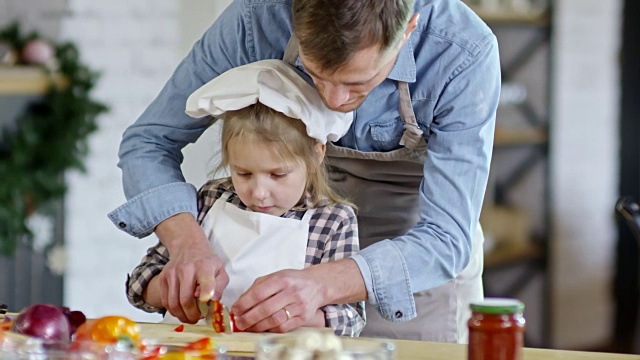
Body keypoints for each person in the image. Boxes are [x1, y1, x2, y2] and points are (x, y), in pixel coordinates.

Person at [109, 0, 500, 342]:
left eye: (357, 84)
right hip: (296, 261)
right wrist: (187, 245)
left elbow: (447, 237)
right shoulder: (258, 18)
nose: (333, 101)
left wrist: (322, 284)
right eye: (314, 74)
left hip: (416, 265)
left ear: (407, 31)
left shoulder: (462, 50)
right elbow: (149, 143)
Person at [125, 60, 365, 336]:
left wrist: (291, 314)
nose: (259, 192)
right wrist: (175, 289)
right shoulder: (211, 198)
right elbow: (138, 285)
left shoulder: (332, 221)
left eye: (277, 175)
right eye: (243, 174)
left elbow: (351, 318)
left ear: (317, 153)